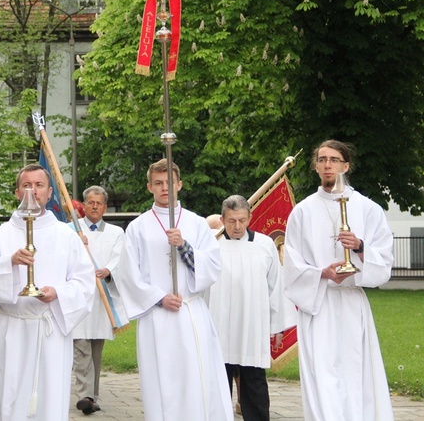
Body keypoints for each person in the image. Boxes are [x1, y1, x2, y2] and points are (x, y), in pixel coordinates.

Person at [0, 164, 95, 420]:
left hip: (50, 330)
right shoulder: (2, 235)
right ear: (17, 192)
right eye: (27, 185)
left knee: (48, 400)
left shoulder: (66, 236)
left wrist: (58, 293)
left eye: (39, 186)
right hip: (12, 330)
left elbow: (85, 282)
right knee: (8, 394)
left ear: (49, 193)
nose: (33, 191)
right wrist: (9, 262)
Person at [283, 139, 394, 420]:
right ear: (315, 166)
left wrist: (359, 246)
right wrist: (322, 273)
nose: (327, 164)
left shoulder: (368, 209)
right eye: (322, 159)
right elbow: (292, 263)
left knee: (356, 372)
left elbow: (384, 260)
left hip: (351, 302)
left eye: (333, 159)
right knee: (321, 374)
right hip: (319, 303)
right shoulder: (302, 212)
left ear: (346, 165)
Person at [115, 158, 233, 421]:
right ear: (149, 187)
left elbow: (212, 265)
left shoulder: (196, 223)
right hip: (157, 317)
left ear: (179, 184)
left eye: (169, 182)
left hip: (190, 311)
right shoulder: (138, 228)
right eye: (158, 183)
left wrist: (184, 246)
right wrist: (159, 298)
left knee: (197, 376)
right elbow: (128, 275)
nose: (164, 188)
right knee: (162, 380)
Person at [208, 195, 297, 420]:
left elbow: (276, 286)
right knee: (216, 384)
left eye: (242, 220)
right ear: (222, 219)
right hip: (218, 325)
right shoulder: (211, 245)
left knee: (254, 383)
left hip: (252, 326)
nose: (237, 227)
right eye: (231, 221)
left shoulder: (264, 245)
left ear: (250, 217)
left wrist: (277, 325)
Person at [71, 185, 127, 415]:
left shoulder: (116, 233)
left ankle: (91, 396)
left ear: (105, 207)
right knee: (81, 346)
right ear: (84, 206)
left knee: (95, 351)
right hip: (80, 297)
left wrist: (107, 270)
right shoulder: (72, 231)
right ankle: (84, 394)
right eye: (90, 202)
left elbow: (120, 259)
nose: (94, 206)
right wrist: (77, 244)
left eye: (99, 203)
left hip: (102, 298)